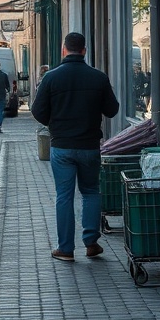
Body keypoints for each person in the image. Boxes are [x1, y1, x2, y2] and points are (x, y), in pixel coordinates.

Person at [31, 32, 120, 262]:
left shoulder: (51, 77)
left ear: (64, 50)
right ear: (84, 51)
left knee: (64, 196)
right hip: (89, 145)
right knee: (91, 191)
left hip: (61, 146)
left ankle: (65, 249)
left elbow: (38, 111)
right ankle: (91, 242)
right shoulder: (98, 78)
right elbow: (112, 110)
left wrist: (56, 122)